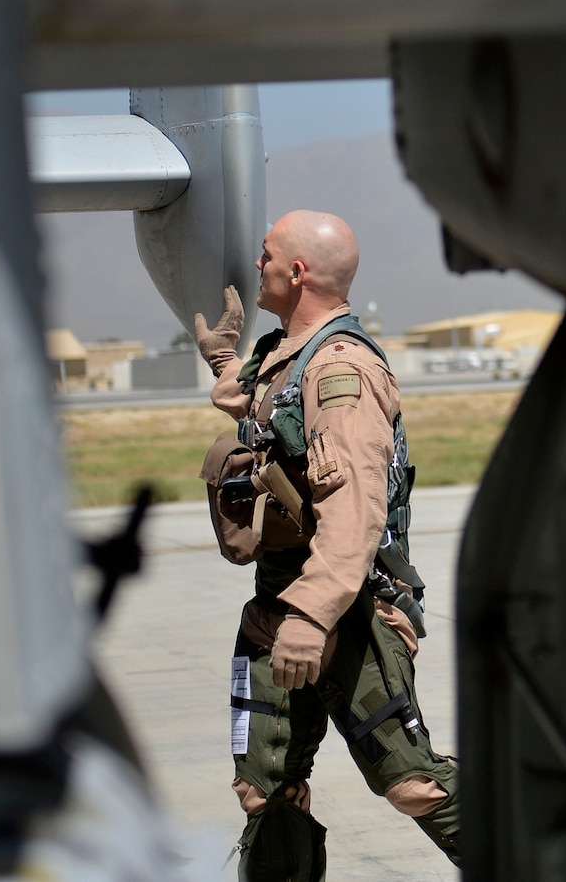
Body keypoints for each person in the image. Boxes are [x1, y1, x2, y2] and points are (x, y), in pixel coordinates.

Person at [194, 210, 459, 880]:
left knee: (411, 783)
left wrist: (311, 616)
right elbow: (262, 410)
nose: (257, 265)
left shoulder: (340, 369)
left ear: (298, 270)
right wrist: (225, 358)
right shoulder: (292, 353)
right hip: (282, 609)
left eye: (266, 255)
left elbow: (355, 513)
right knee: (265, 789)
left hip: (350, 608)